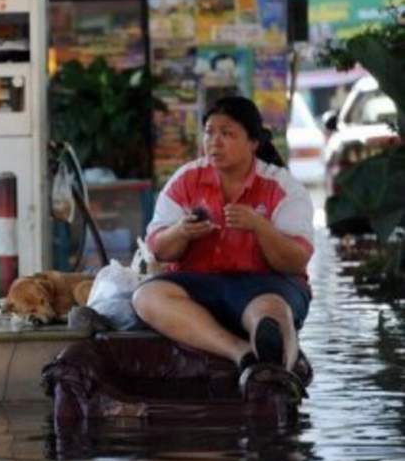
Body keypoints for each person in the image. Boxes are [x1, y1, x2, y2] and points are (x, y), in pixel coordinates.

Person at [132, 96, 313, 388]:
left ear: (253, 142)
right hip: (199, 284)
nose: (214, 141)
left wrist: (260, 227)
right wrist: (181, 231)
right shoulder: (186, 179)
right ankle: (240, 353)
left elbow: (295, 261)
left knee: (271, 313)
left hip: (266, 285)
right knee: (146, 297)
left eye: (227, 133)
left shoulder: (283, 187)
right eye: (209, 132)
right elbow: (159, 249)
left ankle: (274, 366)